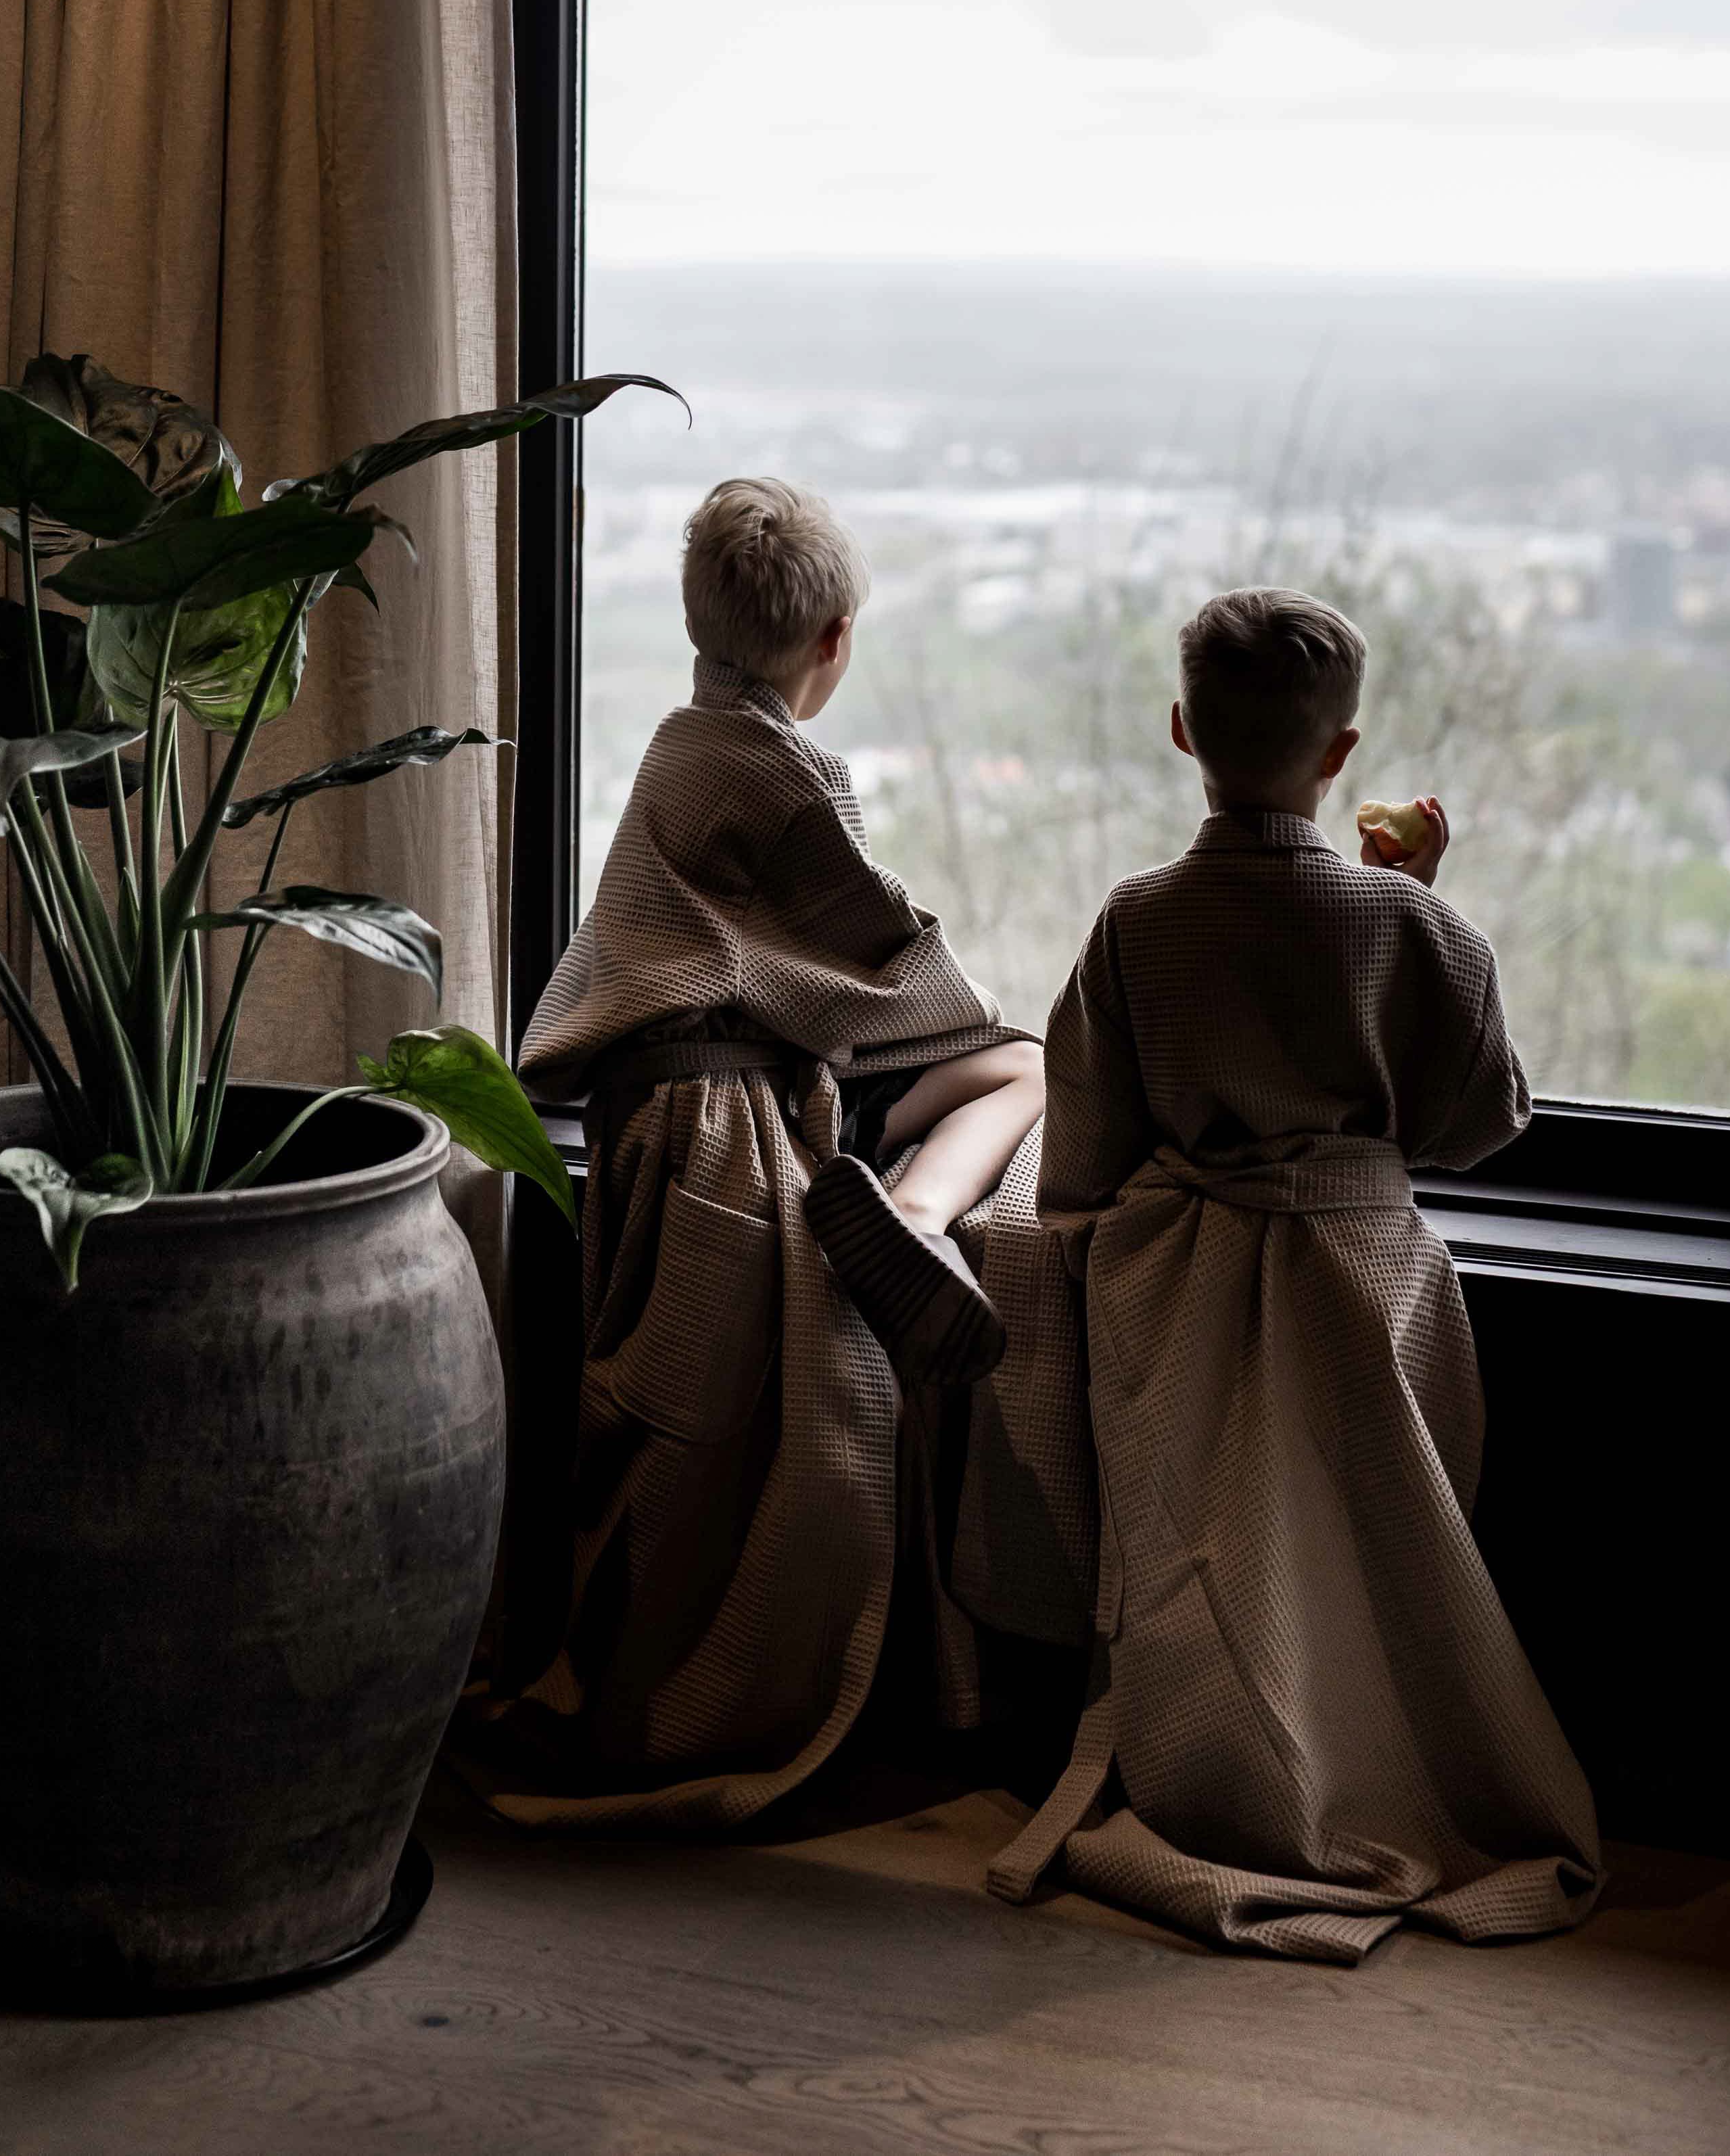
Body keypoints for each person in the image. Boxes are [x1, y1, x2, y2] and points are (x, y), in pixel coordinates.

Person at [985, 584, 1602, 1962]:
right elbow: (1485, 1117)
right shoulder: (1415, 926)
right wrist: (1405, 915)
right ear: (1343, 754)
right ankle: (1380, 1765)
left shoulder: (1139, 920)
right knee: (1380, 1560)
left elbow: (1087, 1142)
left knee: (1212, 1560)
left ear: (1179, 729)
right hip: (1367, 1280)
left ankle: (1223, 1773)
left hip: (1185, 1280)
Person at [467, 478, 1044, 1825]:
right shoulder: (789, 773)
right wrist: (960, 1018)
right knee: (727, 1432)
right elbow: (882, 944)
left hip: (665, 1117)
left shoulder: (678, 744)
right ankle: (914, 1204)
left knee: (666, 1414)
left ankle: (903, 1193)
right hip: (728, 1126)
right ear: (833, 639)